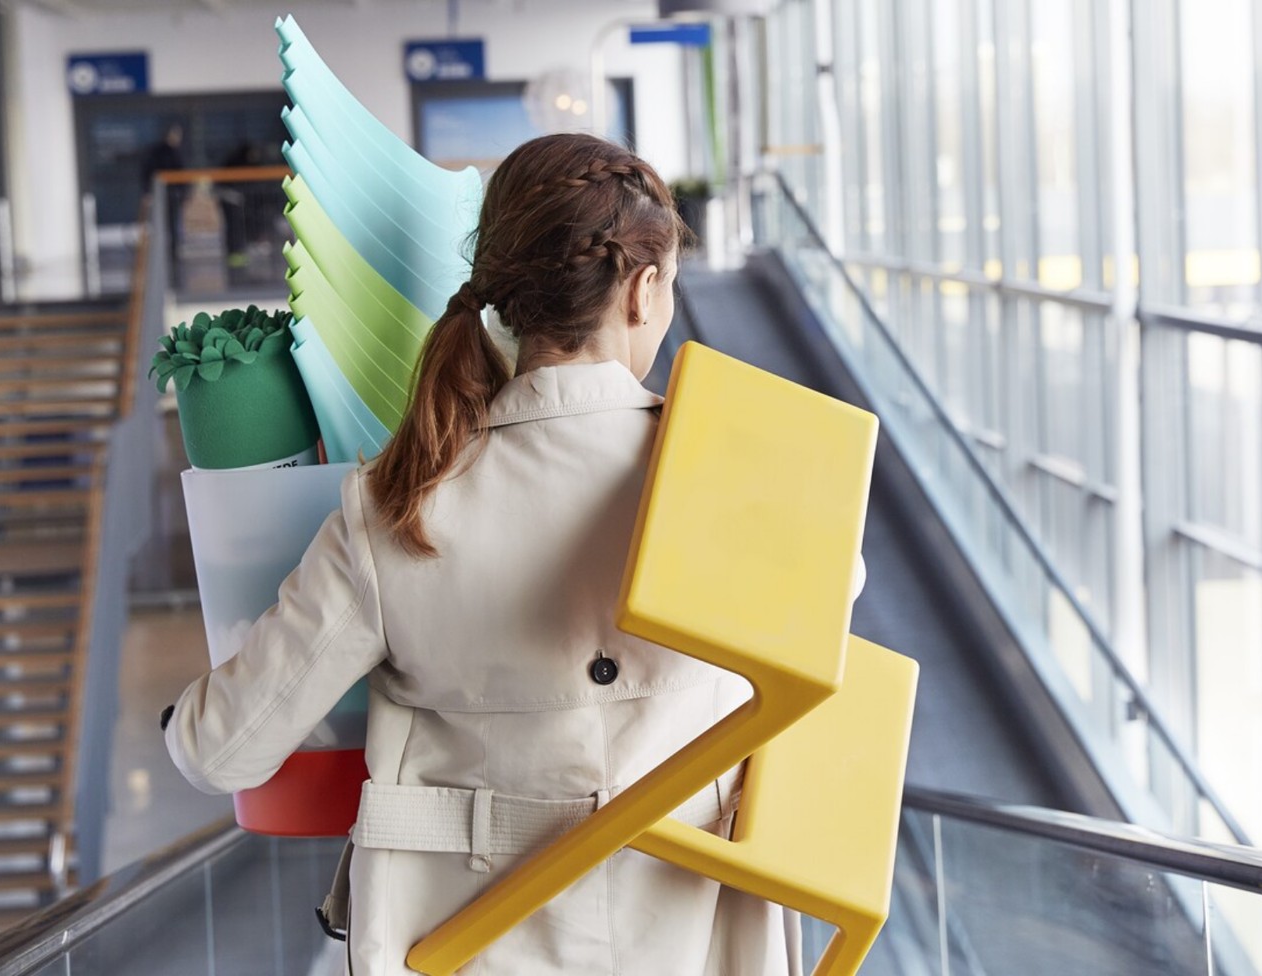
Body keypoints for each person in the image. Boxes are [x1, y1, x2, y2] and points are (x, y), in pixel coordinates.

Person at [163, 133, 805, 974]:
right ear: (643, 290)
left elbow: (224, 749)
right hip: (699, 943)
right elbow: (826, 641)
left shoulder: (397, 503)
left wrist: (180, 724)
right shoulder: (739, 471)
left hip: (466, 946)